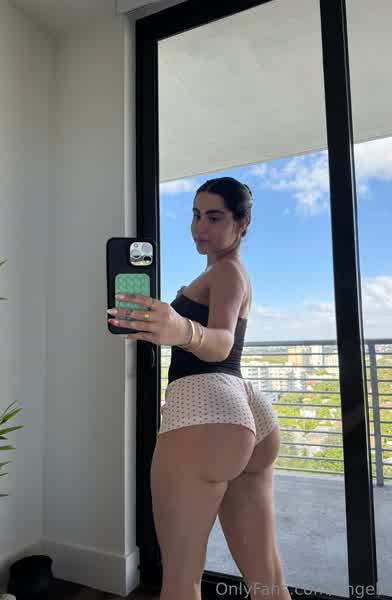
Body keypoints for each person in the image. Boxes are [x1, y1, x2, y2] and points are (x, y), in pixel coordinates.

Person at [108, 177, 291, 599]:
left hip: (207, 411)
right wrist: (162, 327)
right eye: (195, 215)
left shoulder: (227, 271)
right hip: (245, 411)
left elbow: (222, 340)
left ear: (242, 223)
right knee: (266, 577)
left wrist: (182, 330)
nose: (199, 227)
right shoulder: (223, 272)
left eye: (214, 217)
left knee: (181, 579)